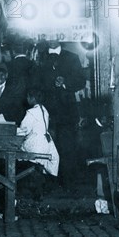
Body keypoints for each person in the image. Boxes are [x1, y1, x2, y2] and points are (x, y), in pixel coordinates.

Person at [36, 38, 85, 193]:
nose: (50, 38)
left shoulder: (72, 57)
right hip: (45, 111)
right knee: (46, 146)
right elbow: (35, 82)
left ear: (59, 36)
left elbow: (81, 81)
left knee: (67, 147)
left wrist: (65, 82)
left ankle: (68, 184)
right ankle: (49, 184)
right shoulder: (39, 56)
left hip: (66, 111)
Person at [17, 88, 60, 177]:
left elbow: (24, 130)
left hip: (35, 145)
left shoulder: (31, 112)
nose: (27, 99)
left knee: (17, 149)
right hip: (45, 143)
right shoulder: (44, 110)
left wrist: (15, 131)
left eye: (28, 97)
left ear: (33, 99)